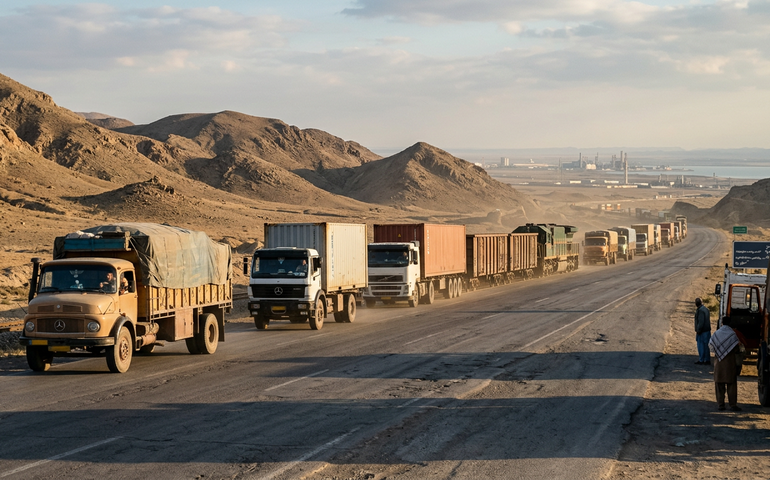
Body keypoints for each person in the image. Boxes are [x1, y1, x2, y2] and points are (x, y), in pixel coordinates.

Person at [709, 317, 743, 411]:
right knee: (731, 385)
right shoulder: (732, 334)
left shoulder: (717, 333)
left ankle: (721, 405)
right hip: (730, 363)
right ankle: (733, 405)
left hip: (719, 363)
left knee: (719, 385)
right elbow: (737, 348)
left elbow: (711, 346)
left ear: (722, 323)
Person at [694, 297, 711, 365]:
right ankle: (707, 360)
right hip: (707, 330)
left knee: (701, 346)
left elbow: (701, 322)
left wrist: (698, 330)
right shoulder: (706, 309)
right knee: (706, 346)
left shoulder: (700, 310)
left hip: (702, 331)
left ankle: (701, 360)